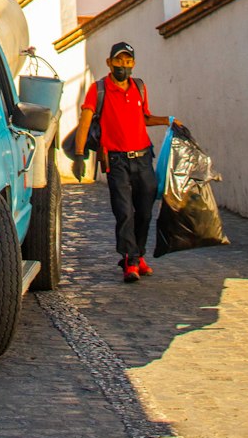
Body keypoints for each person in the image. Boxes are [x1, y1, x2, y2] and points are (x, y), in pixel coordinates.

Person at [73, 40, 181, 284]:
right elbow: (86, 121)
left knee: (144, 211)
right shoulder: (98, 89)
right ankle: (130, 261)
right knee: (124, 212)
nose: (124, 65)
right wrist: (79, 155)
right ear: (109, 63)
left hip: (143, 158)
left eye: (128, 61)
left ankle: (138, 254)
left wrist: (169, 121)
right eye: (119, 61)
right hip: (116, 161)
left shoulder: (139, 87)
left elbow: (144, 118)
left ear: (133, 63)